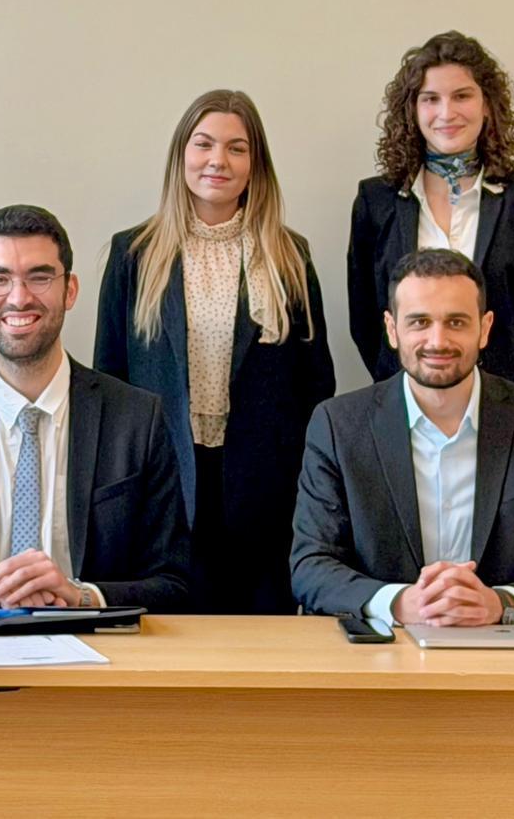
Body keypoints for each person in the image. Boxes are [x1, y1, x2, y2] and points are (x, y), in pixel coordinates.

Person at [0, 205, 190, 610]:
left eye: (39, 277)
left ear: (70, 289)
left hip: (98, 653)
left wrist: (82, 596)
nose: (19, 298)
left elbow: (174, 581)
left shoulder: (137, 418)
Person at [94, 90, 334, 613]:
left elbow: (317, 386)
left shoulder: (290, 256)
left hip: (264, 491)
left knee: (259, 645)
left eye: (236, 148)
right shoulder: (133, 254)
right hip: (162, 481)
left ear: (255, 165)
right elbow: (107, 382)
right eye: (203, 145)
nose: (217, 161)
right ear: (181, 156)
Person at [291, 248, 514, 626]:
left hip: (503, 654)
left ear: (485, 328)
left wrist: (499, 604)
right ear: (392, 329)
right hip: (380, 655)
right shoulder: (338, 425)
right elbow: (310, 566)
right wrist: (399, 603)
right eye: (419, 322)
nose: (437, 341)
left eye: (456, 322)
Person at [347, 30, 514, 391]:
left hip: (504, 413)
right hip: (403, 408)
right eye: (430, 98)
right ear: (412, 109)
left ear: (486, 104)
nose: (446, 112)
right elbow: (365, 320)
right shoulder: (376, 202)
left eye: (462, 96)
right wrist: (396, 387)